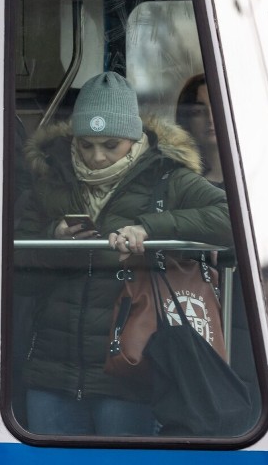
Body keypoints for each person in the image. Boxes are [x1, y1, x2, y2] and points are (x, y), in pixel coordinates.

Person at [15, 71, 232, 436]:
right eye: (86, 145)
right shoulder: (51, 178)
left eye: (111, 145)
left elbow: (232, 217)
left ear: (135, 138)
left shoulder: (167, 177)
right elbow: (11, 256)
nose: (97, 157)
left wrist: (151, 228)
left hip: (133, 367)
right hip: (52, 368)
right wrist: (52, 237)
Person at [176, 74, 223, 188]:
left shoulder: (259, 172)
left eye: (217, 107)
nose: (210, 118)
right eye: (198, 111)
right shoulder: (180, 184)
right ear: (186, 120)